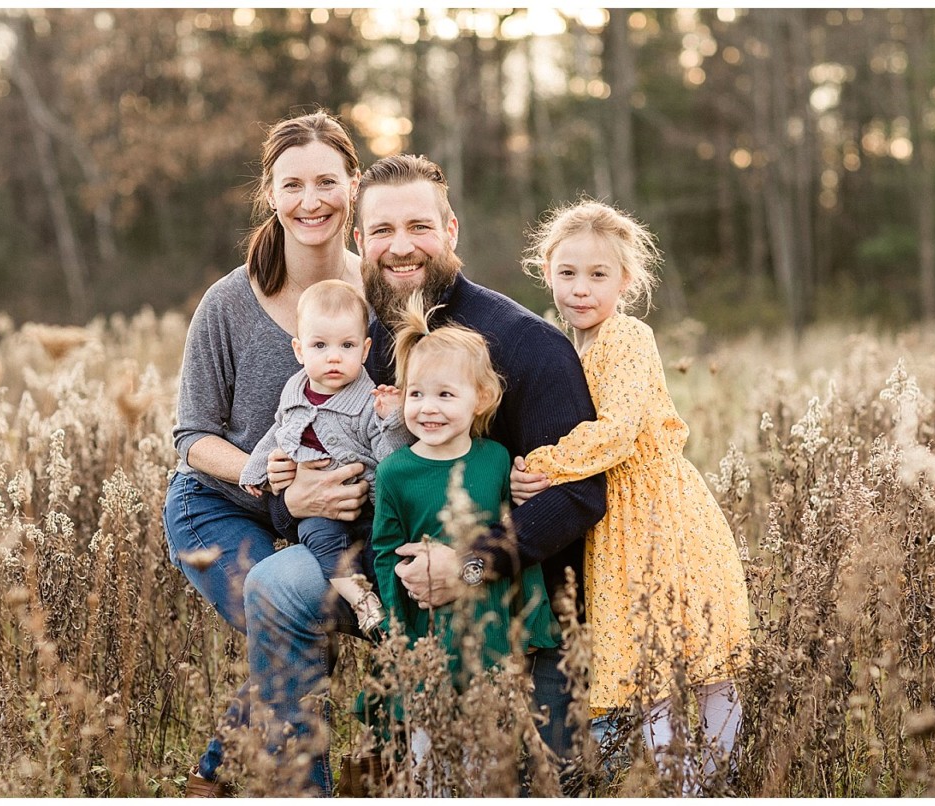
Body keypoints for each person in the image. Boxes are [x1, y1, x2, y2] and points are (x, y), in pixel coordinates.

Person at [246, 154, 606, 795]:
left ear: (452, 232)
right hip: (394, 587)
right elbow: (318, 462)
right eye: (382, 230)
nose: (400, 246)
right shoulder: (356, 349)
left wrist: (469, 565)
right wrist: (290, 497)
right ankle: (299, 782)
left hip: (521, 607)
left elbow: (580, 498)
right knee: (276, 581)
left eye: (420, 226)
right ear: (359, 241)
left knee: (534, 784)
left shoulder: (526, 346)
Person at [162, 110, 365, 797]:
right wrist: (277, 489)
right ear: (271, 195)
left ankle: (213, 776)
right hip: (218, 507)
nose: (312, 201)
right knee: (291, 631)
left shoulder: (381, 299)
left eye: (327, 182)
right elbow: (191, 438)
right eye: (293, 185)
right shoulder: (228, 303)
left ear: (353, 186)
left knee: (300, 626)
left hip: (325, 522)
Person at [514, 199, 752, 789]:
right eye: (567, 273)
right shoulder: (571, 346)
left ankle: (709, 782)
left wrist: (547, 463)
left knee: (696, 659)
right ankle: (682, 783)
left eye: (598, 275)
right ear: (547, 273)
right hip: (617, 524)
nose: (581, 289)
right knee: (648, 661)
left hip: (658, 512)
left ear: (626, 281)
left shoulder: (626, 334)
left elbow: (618, 430)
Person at [371, 296, 557, 769]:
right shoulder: (395, 471)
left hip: (489, 628)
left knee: (484, 753)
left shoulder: (495, 460)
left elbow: (515, 541)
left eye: (445, 395)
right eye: (416, 394)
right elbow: (385, 551)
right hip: (425, 630)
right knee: (426, 751)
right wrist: (395, 627)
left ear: (483, 398)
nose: (428, 409)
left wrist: (532, 623)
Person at [239, 279, 410, 635]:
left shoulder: (369, 401)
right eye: (320, 345)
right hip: (318, 510)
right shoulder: (295, 390)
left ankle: (397, 622)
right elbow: (278, 431)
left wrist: (391, 420)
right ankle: (360, 599)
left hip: (369, 507)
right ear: (300, 351)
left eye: (346, 345)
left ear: (365, 351)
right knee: (317, 533)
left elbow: (392, 459)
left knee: (385, 551)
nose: (334, 356)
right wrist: (255, 469)